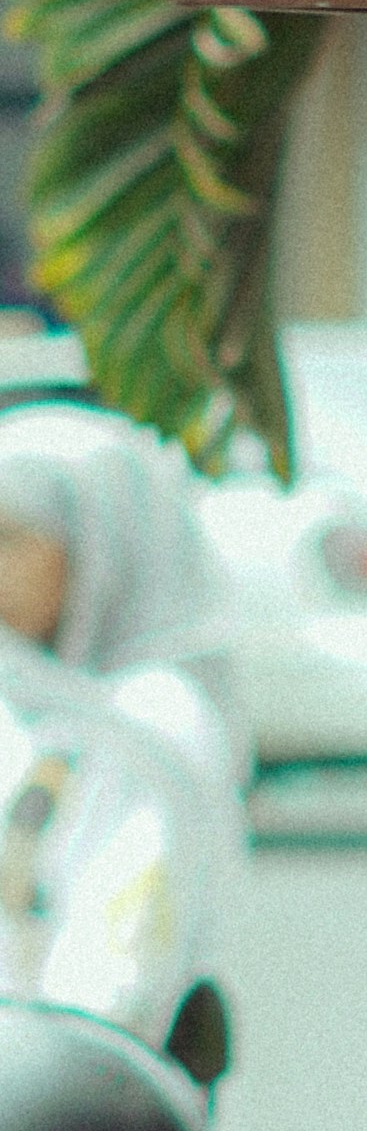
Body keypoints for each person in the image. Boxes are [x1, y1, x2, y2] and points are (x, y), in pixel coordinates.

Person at [0, 407, 243, 1035]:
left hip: (83, 1083)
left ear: (101, 541)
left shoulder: (158, 717)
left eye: (13, 538)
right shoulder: (22, 696)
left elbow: (118, 955)